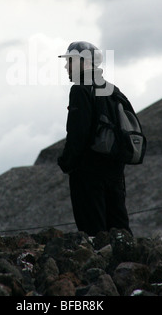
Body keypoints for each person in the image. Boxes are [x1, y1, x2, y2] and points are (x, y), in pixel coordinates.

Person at [57, 41, 132, 237]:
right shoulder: (114, 90)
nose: (66, 66)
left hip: (88, 172)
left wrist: (66, 162)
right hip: (115, 169)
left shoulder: (81, 89)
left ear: (84, 62)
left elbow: (77, 134)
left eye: (70, 61)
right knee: (119, 227)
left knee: (93, 230)